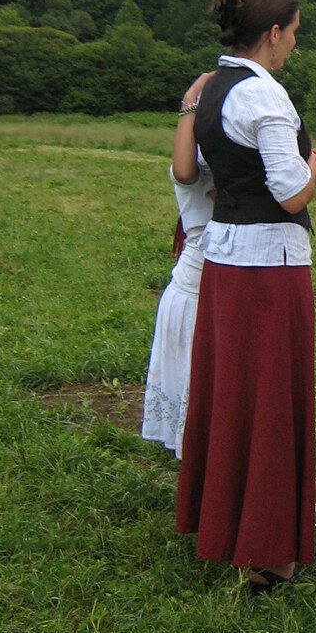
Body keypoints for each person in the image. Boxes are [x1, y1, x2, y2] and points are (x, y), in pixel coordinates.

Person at [175, 0, 316, 590]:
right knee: (271, 397)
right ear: (273, 33)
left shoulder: (212, 88)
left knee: (232, 392)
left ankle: (225, 522)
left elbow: (189, 172)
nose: (293, 43)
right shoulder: (266, 95)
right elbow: (290, 194)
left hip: (223, 258)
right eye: (293, 33)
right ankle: (270, 550)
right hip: (270, 266)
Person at [148, 68, 316, 517]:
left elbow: (186, 170)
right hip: (214, 290)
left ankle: (249, 499)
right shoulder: (229, 174)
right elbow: (287, 194)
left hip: (194, 288)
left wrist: (192, 103)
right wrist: (311, 169)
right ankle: (247, 503)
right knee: (245, 409)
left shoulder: (200, 160)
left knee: (229, 413)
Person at [141, 72, 217, 456]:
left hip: (201, 295)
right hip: (195, 297)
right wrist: (190, 101)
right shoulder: (195, 165)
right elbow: (186, 172)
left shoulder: (226, 164)